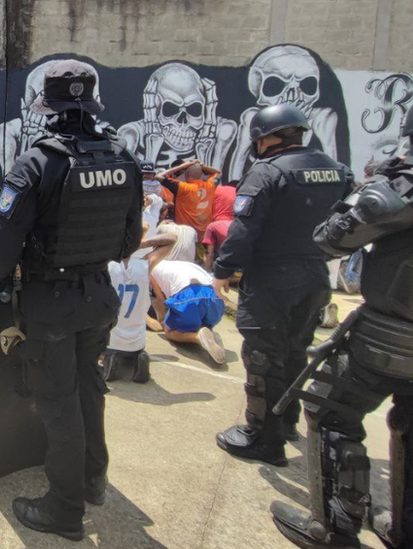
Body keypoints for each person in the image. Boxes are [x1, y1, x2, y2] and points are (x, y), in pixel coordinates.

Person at [0, 60, 143, 540]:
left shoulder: (36, 163)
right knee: (91, 388)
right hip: (97, 295)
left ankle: (65, 509)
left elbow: (4, 238)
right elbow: (131, 238)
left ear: (48, 111)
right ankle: (93, 479)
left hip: (49, 304)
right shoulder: (122, 157)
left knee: (59, 401)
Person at [270, 108, 413, 549]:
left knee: (332, 413)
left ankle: (334, 527)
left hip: (390, 333)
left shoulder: (401, 187)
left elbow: (333, 237)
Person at [213, 104, 351, 466]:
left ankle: (263, 437)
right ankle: (286, 420)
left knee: (262, 357)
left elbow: (244, 229)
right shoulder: (337, 171)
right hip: (316, 277)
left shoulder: (267, 172)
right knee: (294, 352)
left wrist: (223, 268)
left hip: (272, 279)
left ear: (268, 138)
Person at [149, 259, 227, 365]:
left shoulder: (151, 269)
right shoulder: (179, 264)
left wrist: (163, 320)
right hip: (214, 297)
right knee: (196, 320)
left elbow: (160, 300)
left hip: (189, 296)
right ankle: (206, 331)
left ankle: (197, 337)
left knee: (169, 332)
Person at [102, 256, 152, 382]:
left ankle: (108, 359)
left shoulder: (107, 265)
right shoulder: (145, 265)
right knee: (136, 345)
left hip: (110, 339)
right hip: (136, 341)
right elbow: (171, 241)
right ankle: (140, 356)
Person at [156, 159, 220, 240]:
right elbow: (218, 172)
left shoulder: (182, 187)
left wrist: (181, 166)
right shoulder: (211, 185)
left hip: (185, 235)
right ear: (201, 174)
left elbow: (158, 176)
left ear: (187, 173)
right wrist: (203, 166)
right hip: (203, 236)